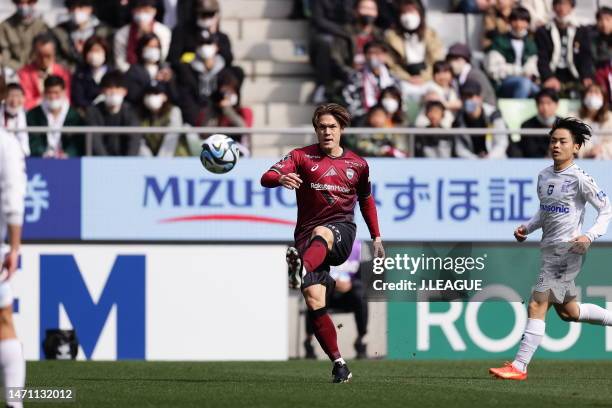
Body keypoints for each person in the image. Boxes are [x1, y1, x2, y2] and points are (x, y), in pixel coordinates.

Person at [260, 103, 385, 383]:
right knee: (315, 301)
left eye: (332, 127)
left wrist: (376, 235)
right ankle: (340, 364)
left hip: (340, 231)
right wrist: (280, 177)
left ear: (341, 129)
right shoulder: (301, 157)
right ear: (315, 130)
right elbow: (265, 177)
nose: (327, 132)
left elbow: (366, 200)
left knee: (324, 231)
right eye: (322, 127)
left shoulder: (358, 165)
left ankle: (301, 268)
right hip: (306, 238)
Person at [489, 117, 612, 381]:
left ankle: (519, 366)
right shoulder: (544, 175)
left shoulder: (580, 178)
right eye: (553, 140)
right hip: (548, 250)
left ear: (576, 147)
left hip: (567, 251)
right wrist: (528, 228)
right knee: (569, 312)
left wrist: (590, 235)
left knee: (537, 302)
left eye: (563, 141)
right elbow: (545, 212)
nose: (556, 145)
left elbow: (606, 208)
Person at [304, 240, 370, 360]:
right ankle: (309, 341)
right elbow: (313, 273)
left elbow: (365, 275)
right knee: (313, 293)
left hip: (348, 293)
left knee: (360, 292)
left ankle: (361, 339)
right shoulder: (320, 243)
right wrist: (331, 283)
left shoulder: (360, 246)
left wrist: (351, 284)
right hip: (326, 290)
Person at [0, 125, 27, 408]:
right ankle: (15, 402)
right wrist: (14, 247)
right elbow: (13, 200)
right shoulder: (6, 144)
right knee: (4, 321)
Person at [384, 0, 444, 100]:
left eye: (412, 12)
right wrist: (407, 78)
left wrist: (424, 77)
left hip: (428, 78)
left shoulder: (431, 34)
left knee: (436, 94)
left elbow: (436, 59)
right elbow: (392, 63)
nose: (408, 16)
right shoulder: (392, 36)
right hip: (403, 78)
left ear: (420, 14)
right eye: (404, 13)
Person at [535, 0, 594, 98]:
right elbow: (542, 57)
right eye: (558, 4)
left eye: (565, 4)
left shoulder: (581, 30)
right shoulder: (544, 31)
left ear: (572, 7)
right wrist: (548, 77)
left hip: (575, 75)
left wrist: (587, 75)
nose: (562, 8)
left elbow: (585, 56)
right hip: (551, 74)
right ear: (553, 7)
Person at [175, 34, 237, 125]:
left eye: (209, 43)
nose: (205, 47)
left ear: (216, 47)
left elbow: (231, 93)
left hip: (219, 116)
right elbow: (186, 99)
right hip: (197, 118)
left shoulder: (225, 72)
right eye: (202, 44)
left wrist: (229, 99)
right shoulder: (187, 71)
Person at [485, 6, 539, 98]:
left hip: (527, 81)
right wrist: (519, 71)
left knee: (540, 92)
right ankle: (519, 110)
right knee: (524, 83)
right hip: (503, 83)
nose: (518, 24)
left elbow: (532, 68)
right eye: (515, 20)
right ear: (509, 22)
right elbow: (494, 70)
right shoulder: (500, 41)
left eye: (523, 21)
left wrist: (529, 74)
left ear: (527, 23)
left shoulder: (531, 44)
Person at [308, 0, 356, 103]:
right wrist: (341, 32)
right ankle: (323, 85)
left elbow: (352, 17)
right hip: (325, 35)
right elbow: (318, 20)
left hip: (346, 34)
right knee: (326, 42)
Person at [27, 75, 84, 158]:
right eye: (49, 93)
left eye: (56, 93)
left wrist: (68, 154)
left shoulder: (75, 115)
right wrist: (43, 153)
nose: (53, 97)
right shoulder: (33, 114)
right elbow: (32, 140)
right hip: (40, 161)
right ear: (44, 93)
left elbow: (78, 142)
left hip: (68, 161)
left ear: (64, 92)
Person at [85, 70, 141, 156]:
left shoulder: (131, 111)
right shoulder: (93, 111)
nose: (114, 92)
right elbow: (95, 141)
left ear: (125, 92)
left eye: (118, 88)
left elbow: (134, 140)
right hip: (100, 163)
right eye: (110, 88)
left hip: (126, 162)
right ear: (102, 91)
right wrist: (106, 163)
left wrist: (129, 162)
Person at [342, 40, 400, 120]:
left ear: (385, 55)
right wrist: (370, 115)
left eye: (377, 53)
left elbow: (399, 101)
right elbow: (348, 99)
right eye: (370, 53)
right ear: (365, 56)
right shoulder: (355, 77)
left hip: (389, 119)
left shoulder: (393, 78)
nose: (373, 56)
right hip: (363, 119)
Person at [167, 0, 234, 68]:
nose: (207, 18)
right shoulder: (183, 32)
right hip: (192, 68)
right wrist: (196, 51)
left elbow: (229, 59)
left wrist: (216, 46)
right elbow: (174, 57)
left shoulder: (221, 37)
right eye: (204, 15)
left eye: (210, 15)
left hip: (215, 67)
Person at [199, 72, 252, 155]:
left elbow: (244, 129)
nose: (228, 95)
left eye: (231, 91)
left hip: (237, 151)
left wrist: (227, 110)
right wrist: (214, 108)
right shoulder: (211, 111)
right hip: (215, 151)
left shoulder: (245, 111)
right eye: (225, 92)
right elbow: (204, 133)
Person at [51, 0, 113, 71]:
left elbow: (109, 58)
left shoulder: (105, 31)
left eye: (81, 7)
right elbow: (58, 58)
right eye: (73, 7)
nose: (76, 11)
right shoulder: (60, 31)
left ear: (90, 8)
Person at [453, 80, 508, 158]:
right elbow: (460, 149)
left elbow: (501, 143)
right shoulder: (458, 120)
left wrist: (489, 158)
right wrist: (475, 160)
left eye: (470, 96)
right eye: (464, 97)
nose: (467, 100)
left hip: (495, 161)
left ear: (479, 98)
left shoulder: (494, 115)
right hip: (470, 164)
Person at [18, 33, 72, 111]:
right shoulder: (24, 74)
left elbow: (67, 100)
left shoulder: (63, 73)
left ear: (54, 53)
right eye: (40, 56)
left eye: (48, 56)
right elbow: (26, 102)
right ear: (34, 53)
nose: (44, 60)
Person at [114, 0, 172, 72]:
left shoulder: (163, 31)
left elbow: (163, 57)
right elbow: (120, 62)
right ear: (132, 11)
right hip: (130, 74)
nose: (142, 14)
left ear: (154, 11)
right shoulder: (122, 34)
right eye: (139, 10)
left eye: (146, 10)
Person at [125, 33, 178, 106]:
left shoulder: (165, 69)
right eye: (149, 46)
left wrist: (169, 81)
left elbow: (175, 96)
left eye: (156, 47)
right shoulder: (134, 71)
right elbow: (133, 96)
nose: (153, 50)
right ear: (141, 49)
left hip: (164, 110)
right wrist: (154, 81)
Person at [137, 84, 188, 156]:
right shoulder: (142, 116)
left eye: (156, 94)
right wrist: (149, 161)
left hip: (175, 158)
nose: (151, 97)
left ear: (164, 96)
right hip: (151, 162)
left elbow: (171, 138)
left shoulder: (174, 111)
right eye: (149, 94)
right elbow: (141, 141)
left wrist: (161, 162)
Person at [0, 0, 49, 71]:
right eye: (20, 2)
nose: (24, 6)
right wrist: (21, 69)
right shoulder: (5, 27)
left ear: (34, 2)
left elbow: (46, 54)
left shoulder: (42, 26)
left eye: (28, 2)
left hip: (36, 71)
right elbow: (5, 57)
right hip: (14, 71)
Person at [514, 88, 560, 158]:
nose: (545, 107)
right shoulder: (527, 125)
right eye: (541, 103)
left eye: (549, 103)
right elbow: (530, 152)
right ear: (536, 105)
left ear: (556, 105)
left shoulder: (565, 125)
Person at [71, 35, 112, 110]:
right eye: (91, 51)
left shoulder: (112, 73)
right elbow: (78, 99)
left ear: (105, 52)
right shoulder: (80, 74)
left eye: (97, 51)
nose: (94, 55)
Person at [573, 84, 612, 160]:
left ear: (603, 98)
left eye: (597, 92)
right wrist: (587, 152)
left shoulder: (610, 118)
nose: (593, 96)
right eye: (590, 92)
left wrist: (602, 149)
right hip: (580, 161)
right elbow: (570, 141)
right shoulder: (573, 117)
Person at [0, 83, 29, 156]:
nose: (14, 100)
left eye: (18, 96)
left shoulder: (29, 115)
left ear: (24, 98)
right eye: (11, 96)